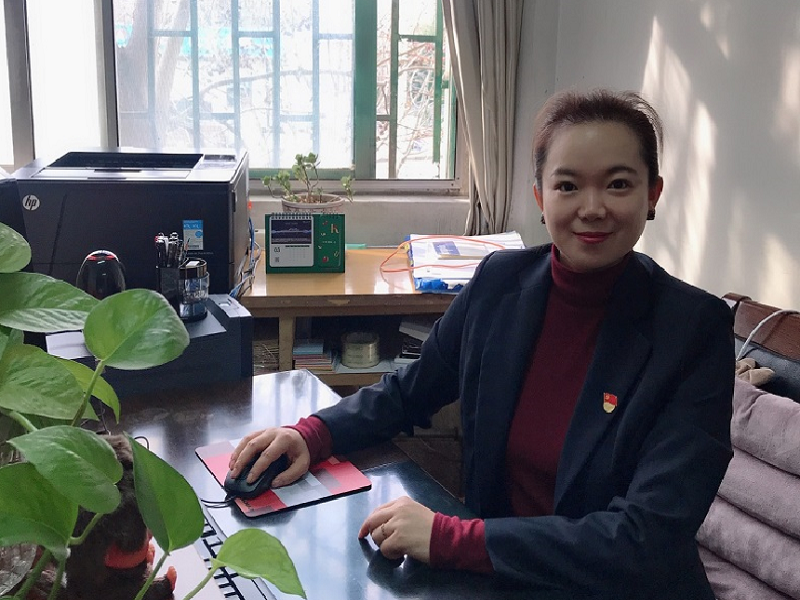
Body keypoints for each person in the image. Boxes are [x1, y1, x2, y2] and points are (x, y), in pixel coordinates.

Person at [230, 89, 734, 599]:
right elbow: (410, 391)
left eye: (618, 184)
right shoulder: (499, 282)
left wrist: (453, 539)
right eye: (568, 185)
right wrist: (314, 434)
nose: (592, 207)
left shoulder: (694, 330)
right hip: (496, 583)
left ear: (653, 194)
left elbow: (646, 539)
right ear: (540, 198)